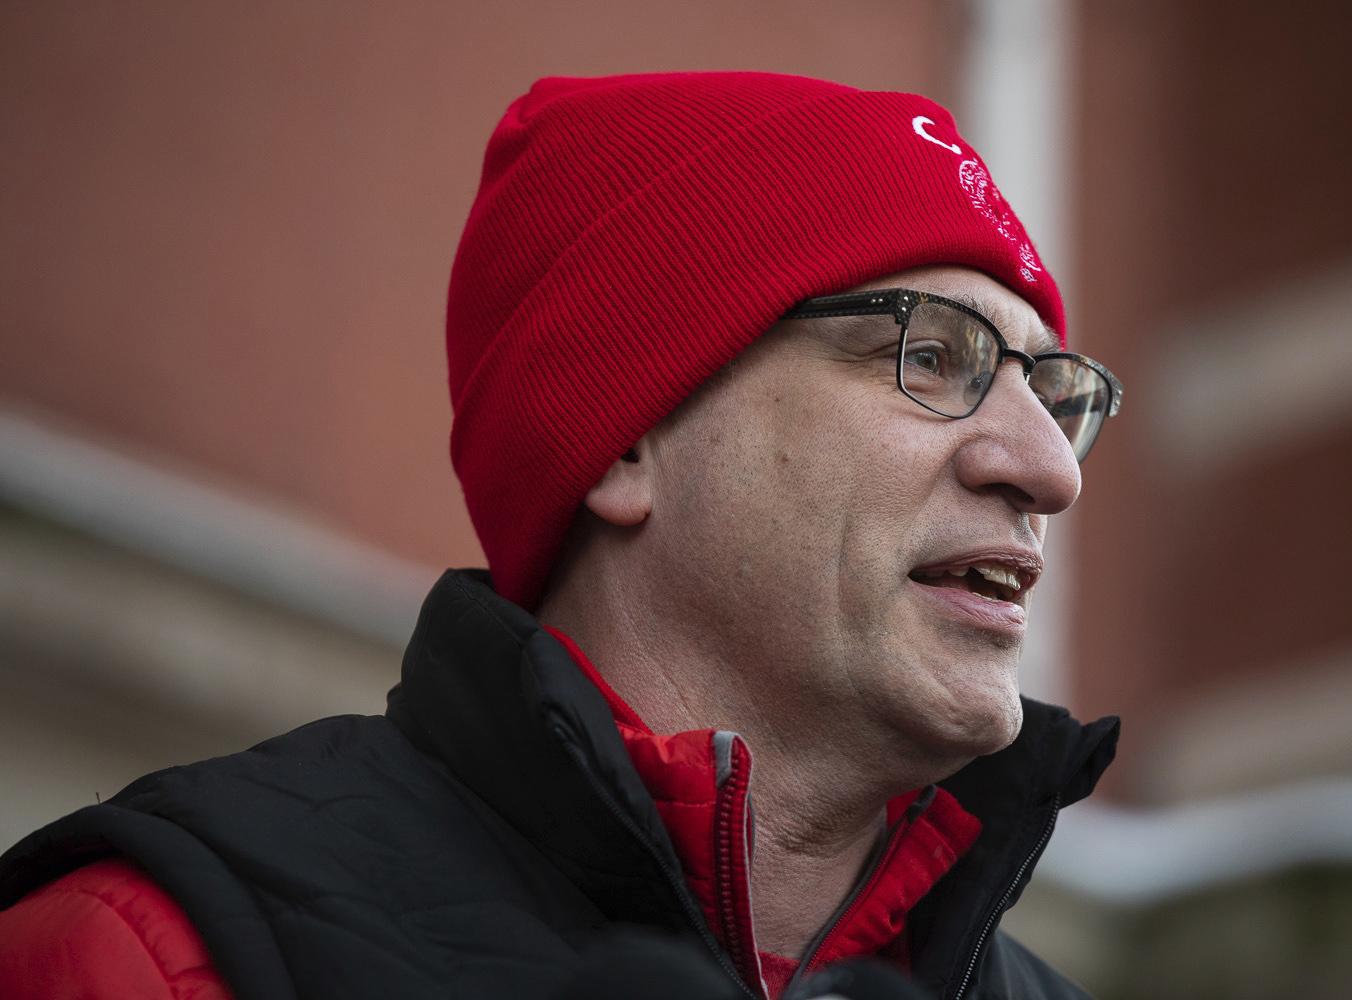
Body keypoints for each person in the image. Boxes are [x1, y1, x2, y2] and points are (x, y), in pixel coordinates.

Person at [0, 72, 1121, 999]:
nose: (1048, 469)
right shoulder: (159, 950)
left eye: (1055, 393)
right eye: (931, 356)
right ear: (627, 437)